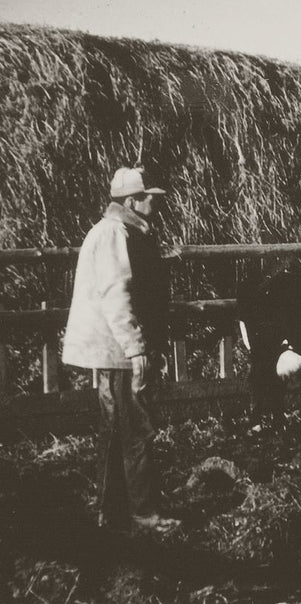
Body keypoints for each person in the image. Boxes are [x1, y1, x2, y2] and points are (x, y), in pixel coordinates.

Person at [62, 166, 180, 534]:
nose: (155, 205)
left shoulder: (120, 231)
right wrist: (135, 348)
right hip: (118, 350)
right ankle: (143, 514)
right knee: (135, 428)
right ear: (132, 201)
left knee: (116, 430)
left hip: (115, 349)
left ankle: (111, 512)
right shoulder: (114, 234)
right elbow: (117, 295)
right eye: (149, 198)